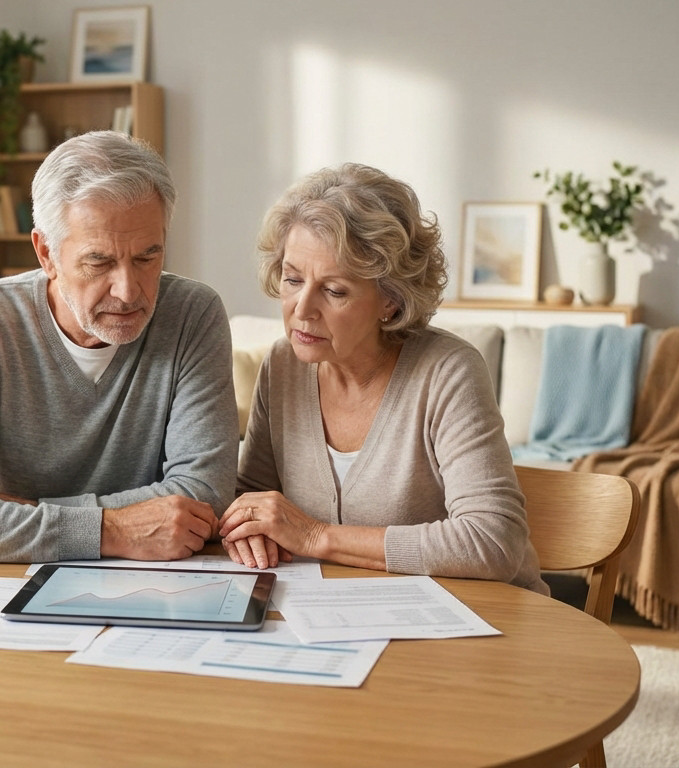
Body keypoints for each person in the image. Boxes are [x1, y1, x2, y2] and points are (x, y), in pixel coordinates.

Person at [0, 131, 239, 563]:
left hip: (155, 584)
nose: (129, 291)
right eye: (100, 262)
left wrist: (14, 514)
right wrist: (111, 531)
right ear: (46, 254)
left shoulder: (192, 314)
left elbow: (204, 497)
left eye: (148, 257)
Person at [220, 163, 548, 594]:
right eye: (293, 279)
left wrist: (316, 537)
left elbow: (492, 540)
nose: (302, 308)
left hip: (482, 622)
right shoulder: (284, 365)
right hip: (345, 617)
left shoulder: (447, 372)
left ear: (390, 301)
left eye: (334, 291)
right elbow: (254, 502)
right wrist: (249, 532)